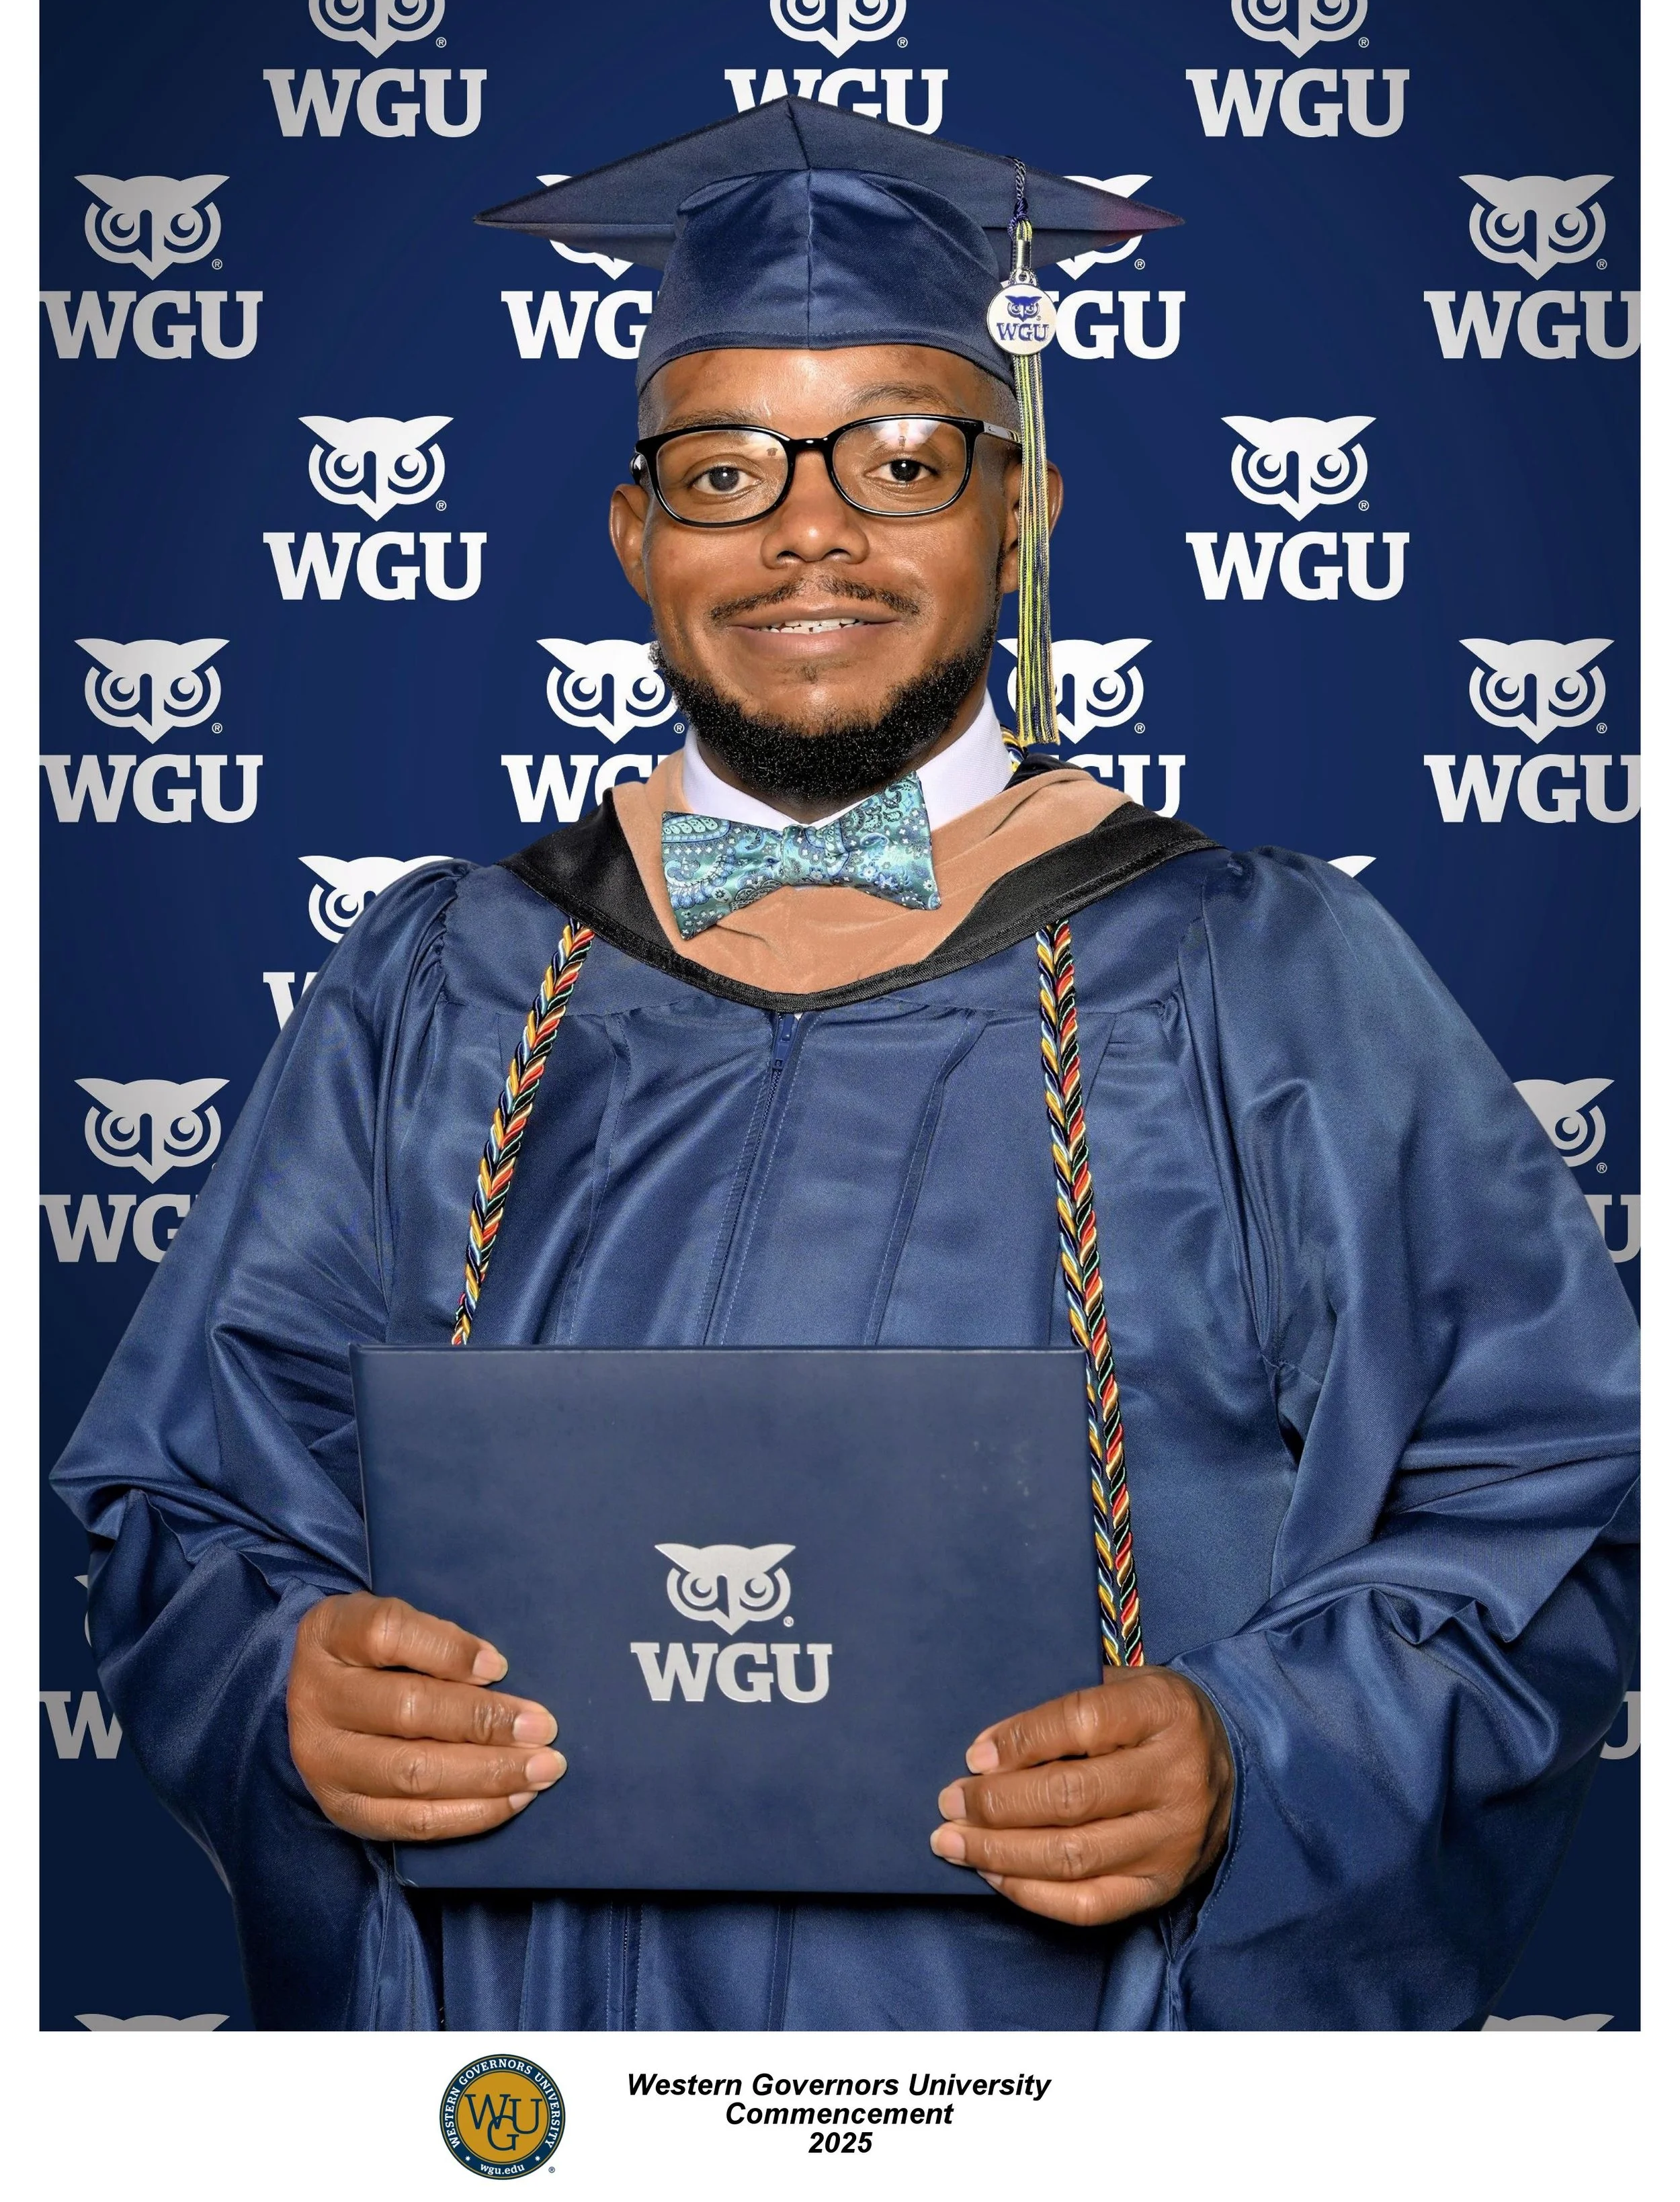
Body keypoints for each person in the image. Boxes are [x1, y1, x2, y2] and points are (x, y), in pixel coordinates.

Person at [54, 99, 1638, 2033]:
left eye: (902, 460)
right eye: (725, 470)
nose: (812, 529)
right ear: (637, 536)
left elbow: (1548, 1497)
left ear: (1018, 513)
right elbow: (184, 1508)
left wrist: (1258, 1754)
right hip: (547, 2102)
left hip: (1067, 2102)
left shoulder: (1265, 973)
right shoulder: (439, 985)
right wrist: (288, 1682)